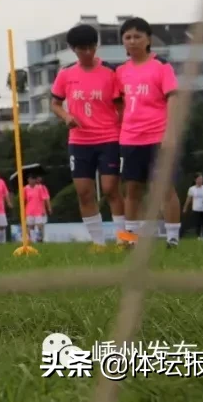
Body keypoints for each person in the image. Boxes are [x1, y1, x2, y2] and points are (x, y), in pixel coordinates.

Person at [50, 22, 126, 249]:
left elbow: (121, 106)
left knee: (111, 188)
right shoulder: (66, 74)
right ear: (73, 49)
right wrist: (66, 116)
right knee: (84, 192)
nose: (87, 52)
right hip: (80, 141)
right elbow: (55, 103)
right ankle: (98, 243)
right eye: (82, 48)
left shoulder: (110, 72)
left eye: (91, 47)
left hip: (108, 138)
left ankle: (125, 239)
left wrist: (124, 131)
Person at [114, 17, 182, 249]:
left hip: (157, 137)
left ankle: (172, 238)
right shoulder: (121, 71)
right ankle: (131, 239)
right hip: (130, 139)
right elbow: (119, 104)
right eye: (128, 37)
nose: (132, 41)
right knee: (132, 189)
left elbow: (173, 98)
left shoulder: (161, 66)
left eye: (137, 36)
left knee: (164, 188)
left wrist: (170, 133)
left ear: (148, 39)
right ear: (123, 42)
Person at [23, 175, 51, 243]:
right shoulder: (25, 188)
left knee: (39, 226)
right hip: (29, 210)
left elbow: (43, 199)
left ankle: (40, 238)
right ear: (28, 180)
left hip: (38, 210)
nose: (31, 181)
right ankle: (33, 240)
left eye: (33, 179)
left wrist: (44, 209)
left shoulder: (39, 188)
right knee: (30, 226)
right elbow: (24, 200)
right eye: (30, 179)